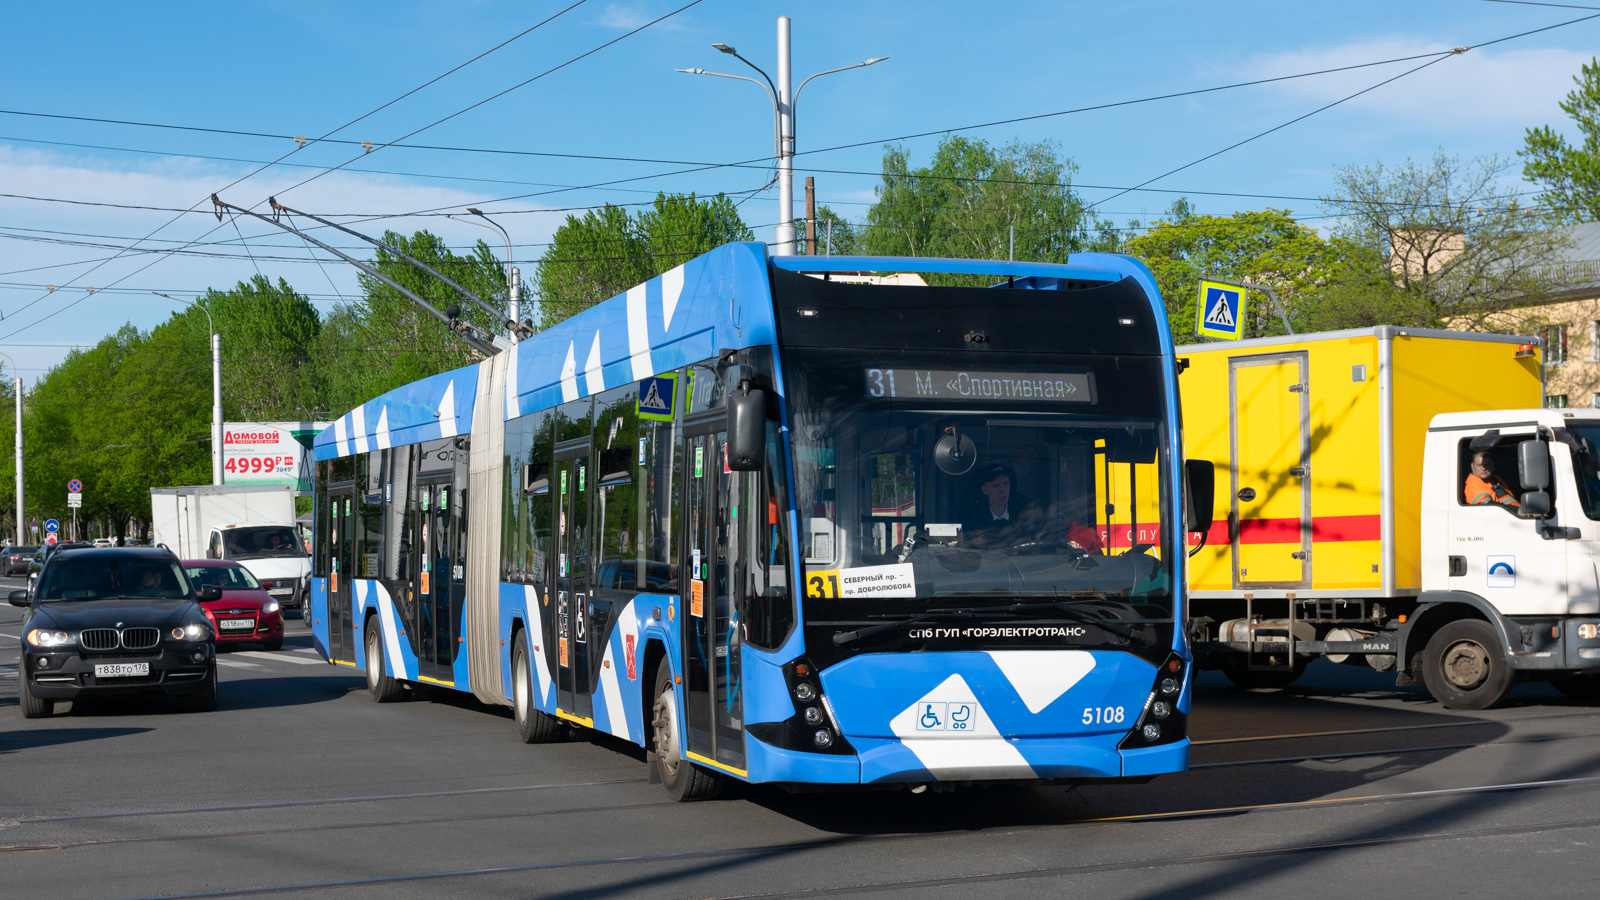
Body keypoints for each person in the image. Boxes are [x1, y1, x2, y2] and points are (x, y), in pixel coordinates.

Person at [962, 464, 1034, 535]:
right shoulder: (973, 515)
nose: (1003, 490)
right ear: (985, 490)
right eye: (996, 485)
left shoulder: (1023, 511)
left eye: (1006, 483)